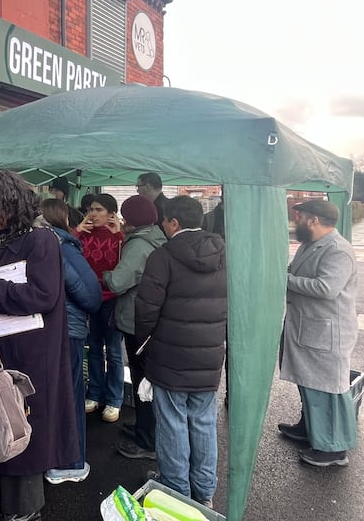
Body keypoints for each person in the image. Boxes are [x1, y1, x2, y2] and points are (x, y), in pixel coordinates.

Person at [0, 170, 79, 521]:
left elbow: (43, 295)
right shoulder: (9, 238)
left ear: (10, 204)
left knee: (26, 428)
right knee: (7, 420)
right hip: (8, 345)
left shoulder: (42, 240)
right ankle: (8, 502)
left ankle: (25, 511)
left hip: (35, 352)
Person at [135, 196, 227, 509]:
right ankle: (204, 492)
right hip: (210, 355)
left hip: (170, 357)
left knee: (172, 421)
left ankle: (176, 489)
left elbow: (146, 309)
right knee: (203, 421)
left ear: (174, 222)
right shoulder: (224, 252)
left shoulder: (163, 256)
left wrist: (142, 342)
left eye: (164, 221)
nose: (163, 226)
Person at [278, 199, 359, 467]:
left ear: (313, 220)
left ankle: (334, 450)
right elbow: (295, 272)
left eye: (299, 216)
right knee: (310, 385)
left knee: (329, 390)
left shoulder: (338, 250)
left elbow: (327, 288)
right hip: (309, 328)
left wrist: (283, 279)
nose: (296, 221)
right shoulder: (309, 245)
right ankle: (310, 428)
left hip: (327, 333)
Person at [40, 199, 101, 485]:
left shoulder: (38, 245)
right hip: (69, 331)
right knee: (72, 396)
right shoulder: (63, 248)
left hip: (44, 330)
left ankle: (52, 459)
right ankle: (70, 463)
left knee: (52, 396)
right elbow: (91, 295)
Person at [103, 195, 166, 460]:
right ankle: (144, 428)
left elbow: (118, 282)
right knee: (146, 379)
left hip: (135, 318)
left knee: (142, 381)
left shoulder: (138, 246)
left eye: (125, 216)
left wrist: (105, 272)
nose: (122, 220)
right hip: (151, 318)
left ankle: (146, 441)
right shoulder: (156, 236)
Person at [76, 193, 125, 423]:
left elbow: (125, 266)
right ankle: (94, 394)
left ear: (111, 213)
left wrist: (120, 235)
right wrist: (77, 230)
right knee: (93, 347)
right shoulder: (83, 235)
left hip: (113, 299)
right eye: (90, 209)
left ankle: (114, 399)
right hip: (90, 297)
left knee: (114, 351)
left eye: (98, 209)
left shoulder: (119, 237)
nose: (93, 214)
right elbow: (69, 254)